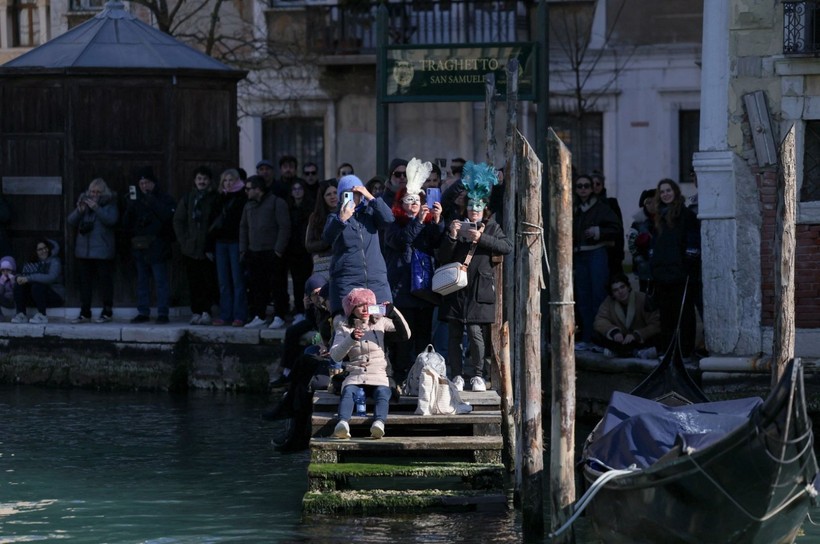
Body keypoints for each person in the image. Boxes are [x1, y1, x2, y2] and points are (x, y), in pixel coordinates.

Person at [438, 161, 512, 392]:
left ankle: (478, 375)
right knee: (454, 334)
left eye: (478, 207)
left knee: (476, 334)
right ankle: (457, 374)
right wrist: (452, 236)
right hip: (456, 288)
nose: (474, 210)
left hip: (480, 287)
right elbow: (443, 256)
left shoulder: (491, 227)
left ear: (484, 209)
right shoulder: (456, 224)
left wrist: (481, 239)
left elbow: (507, 247)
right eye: (471, 206)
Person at [384, 157, 444, 383]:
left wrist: (437, 221)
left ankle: (422, 379)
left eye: (417, 200)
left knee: (423, 337)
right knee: (403, 339)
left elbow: (436, 243)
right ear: (401, 203)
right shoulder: (393, 222)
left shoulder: (426, 223)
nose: (413, 204)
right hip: (402, 290)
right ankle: (400, 378)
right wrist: (418, 221)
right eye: (408, 201)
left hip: (424, 291)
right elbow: (401, 241)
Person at [330, 287, 410, 440]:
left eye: (369, 305)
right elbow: (335, 355)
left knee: (383, 392)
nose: (365, 309)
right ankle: (342, 423)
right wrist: (351, 339)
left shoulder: (380, 322)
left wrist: (393, 311)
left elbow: (406, 333)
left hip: (379, 373)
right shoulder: (344, 327)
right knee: (348, 392)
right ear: (352, 308)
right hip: (355, 373)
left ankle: (379, 423)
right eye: (360, 305)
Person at [323, 174, 394, 315]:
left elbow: (389, 219)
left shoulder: (370, 214)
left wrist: (371, 197)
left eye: (357, 193)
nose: (353, 197)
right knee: (350, 331)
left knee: (378, 327)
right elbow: (327, 238)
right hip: (347, 283)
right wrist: (341, 219)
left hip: (376, 283)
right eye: (348, 194)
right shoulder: (334, 217)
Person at [650, 178, 700, 358]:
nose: (665, 194)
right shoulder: (659, 218)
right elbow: (656, 245)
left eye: (668, 190)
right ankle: (668, 349)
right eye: (662, 192)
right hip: (662, 273)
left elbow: (693, 242)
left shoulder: (686, 215)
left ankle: (685, 350)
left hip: (680, 272)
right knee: (666, 314)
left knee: (684, 313)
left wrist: (688, 262)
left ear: (675, 192)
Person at [572, 173, 621, 349]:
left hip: (597, 254)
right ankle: (587, 338)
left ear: (592, 188)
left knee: (598, 297)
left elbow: (616, 228)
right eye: (580, 186)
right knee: (583, 298)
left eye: (586, 186)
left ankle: (599, 339)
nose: (583, 189)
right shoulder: (575, 209)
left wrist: (598, 231)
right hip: (580, 257)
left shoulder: (602, 207)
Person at [122, 168, 176, 324]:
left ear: (153, 183)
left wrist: (151, 200)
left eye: (147, 182)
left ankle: (163, 312)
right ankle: (143, 312)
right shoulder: (136, 200)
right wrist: (130, 206)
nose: (144, 186)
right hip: (140, 246)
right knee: (142, 281)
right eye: (141, 183)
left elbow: (168, 216)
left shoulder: (164, 198)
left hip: (158, 244)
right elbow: (126, 224)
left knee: (161, 281)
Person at [240, 175, 291, 329]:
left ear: (258, 189)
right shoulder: (248, 206)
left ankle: (279, 315)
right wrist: (243, 250)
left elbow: (284, 227)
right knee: (257, 286)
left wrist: (278, 250)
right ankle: (259, 315)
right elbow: (243, 227)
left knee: (277, 286)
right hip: (254, 252)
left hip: (272, 252)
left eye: (249, 188)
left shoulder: (277, 202)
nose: (246, 191)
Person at [66, 178, 119, 323]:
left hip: (102, 250)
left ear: (103, 193)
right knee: (85, 283)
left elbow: (111, 220)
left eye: (98, 192)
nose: (94, 194)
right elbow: (71, 221)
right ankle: (85, 312)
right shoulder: (83, 202)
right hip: (84, 251)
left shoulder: (110, 204)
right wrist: (79, 210)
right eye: (92, 191)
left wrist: (97, 208)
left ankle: (107, 311)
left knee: (105, 282)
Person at [174, 166, 219, 325]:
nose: (202, 181)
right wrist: (184, 241)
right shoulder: (188, 198)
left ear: (209, 181)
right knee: (194, 282)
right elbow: (178, 221)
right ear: (195, 180)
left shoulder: (215, 198)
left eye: (205, 179)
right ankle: (196, 311)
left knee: (208, 281)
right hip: (191, 249)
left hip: (208, 249)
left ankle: (207, 311)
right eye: (199, 178)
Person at [209, 169, 248, 327]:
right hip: (221, 243)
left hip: (236, 242)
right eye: (225, 180)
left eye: (231, 180)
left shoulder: (242, 198)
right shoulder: (219, 198)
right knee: (224, 281)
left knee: (237, 280)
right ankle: (225, 315)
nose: (228, 183)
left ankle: (239, 315)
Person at [593, 274, 660, 358]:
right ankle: (626, 351)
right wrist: (614, 332)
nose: (620, 292)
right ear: (612, 294)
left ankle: (628, 351)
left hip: (639, 339)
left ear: (628, 287)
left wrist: (636, 335)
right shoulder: (609, 302)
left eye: (622, 287)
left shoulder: (642, 298)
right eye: (616, 290)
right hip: (620, 339)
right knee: (597, 335)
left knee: (657, 338)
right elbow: (600, 320)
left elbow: (655, 324)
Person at [11, 239, 64, 324]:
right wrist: (18, 278)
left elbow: (51, 277)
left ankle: (42, 315)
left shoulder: (55, 261)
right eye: (40, 249)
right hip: (36, 297)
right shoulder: (32, 262)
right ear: (35, 251)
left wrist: (29, 278)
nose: (44, 251)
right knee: (19, 284)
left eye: (45, 248)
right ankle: (21, 314)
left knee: (38, 285)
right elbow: (22, 274)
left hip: (54, 295)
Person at [285, 179, 315, 323]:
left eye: (300, 188)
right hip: (293, 250)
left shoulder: (310, 208)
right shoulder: (288, 208)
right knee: (297, 283)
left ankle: (309, 310)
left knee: (308, 282)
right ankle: (299, 310)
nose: (297, 191)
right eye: (294, 189)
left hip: (307, 251)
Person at [591, 170, 625, 277]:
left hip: (611, 250)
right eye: (592, 184)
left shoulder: (611, 203)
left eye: (598, 184)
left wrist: (619, 252)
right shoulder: (583, 204)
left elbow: (619, 229)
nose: (595, 186)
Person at [305, 181, 336, 280]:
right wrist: (327, 241)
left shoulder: (348, 214)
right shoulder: (315, 217)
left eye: (335, 193)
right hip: (323, 264)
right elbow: (309, 245)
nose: (333, 196)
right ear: (323, 198)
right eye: (328, 194)